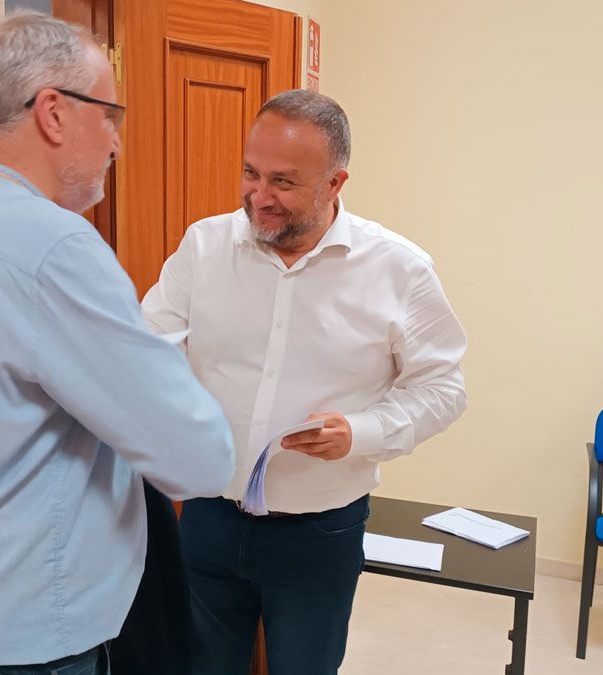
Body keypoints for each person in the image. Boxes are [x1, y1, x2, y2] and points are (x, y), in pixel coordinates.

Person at [0, 13, 236, 675]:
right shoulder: (54, 247)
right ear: (53, 113)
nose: (116, 144)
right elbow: (197, 459)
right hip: (36, 629)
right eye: (111, 116)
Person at [142, 89, 469, 675]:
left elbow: (442, 388)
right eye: (250, 172)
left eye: (284, 183)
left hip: (319, 532)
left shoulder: (399, 270)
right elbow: (147, 346)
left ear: (335, 183)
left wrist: (364, 431)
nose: (259, 197)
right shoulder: (205, 246)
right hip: (209, 517)